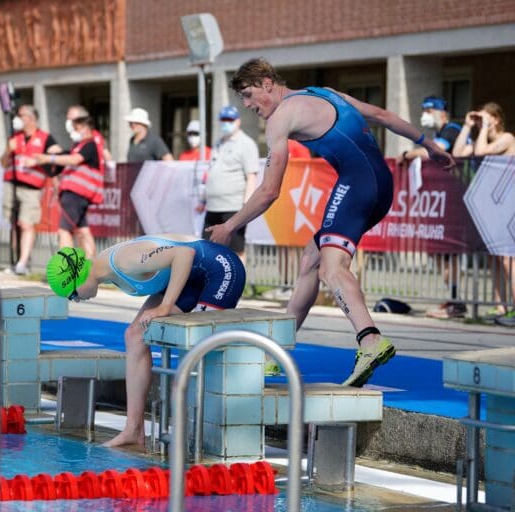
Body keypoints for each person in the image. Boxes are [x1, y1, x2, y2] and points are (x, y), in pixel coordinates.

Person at [207, 58, 454, 387]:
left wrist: (229, 226)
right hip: (380, 185)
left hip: (357, 184)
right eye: (244, 100)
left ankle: (369, 340)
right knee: (311, 259)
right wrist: (429, 145)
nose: (249, 105)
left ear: (268, 83)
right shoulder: (324, 92)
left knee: (331, 268)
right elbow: (383, 116)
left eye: (250, 95)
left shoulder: (281, 117)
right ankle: (275, 353)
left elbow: (268, 191)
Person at [45, 234, 246, 447]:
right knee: (135, 336)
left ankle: (203, 435)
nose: (76, 300)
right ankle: (134, 430)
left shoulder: (124, 262)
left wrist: (165, 306)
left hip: (220, 270)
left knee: (197, 347)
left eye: (72, 294)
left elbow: (184, 254)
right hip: (191, 278)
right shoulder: (105, 269)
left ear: (78, 277)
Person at [399, 96, 465, 319]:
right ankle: (453, 298)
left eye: (429, 110)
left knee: (450, 253)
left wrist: (408, 155)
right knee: (439, 252)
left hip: (459, 196)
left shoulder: (452, 130)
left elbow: (436, 151)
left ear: (441, 112)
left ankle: (457, 302)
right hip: (444, 199)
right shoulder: (438, 134)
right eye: (423, 109)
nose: (424, 114)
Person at [452, 102, 515, 321]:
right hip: (492, 209)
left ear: (496, 119)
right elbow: (458, 153)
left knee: (509, 259)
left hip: (509, 205)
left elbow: (479, 154)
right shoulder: (483, 139)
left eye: (486, 119)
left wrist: (485, 128)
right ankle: (500, 306)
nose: (482, 123)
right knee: (495, 259)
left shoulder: (507, 138)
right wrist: (468, 127)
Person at [28, 115, 102, 259]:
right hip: (77, 195)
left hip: (76, 194)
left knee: (64, 231)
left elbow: (74, 160)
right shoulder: (78, 146)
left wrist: (48, 158)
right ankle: (93, 270)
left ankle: (66, 272)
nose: (73, 131)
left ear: (86, 128)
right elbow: (66, 158)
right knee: (83, 231)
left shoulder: (89, 145)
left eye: (76, 128)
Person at [0, 105, 60, 274]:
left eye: (21, 115)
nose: (17, 119)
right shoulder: (14, 138)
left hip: (32, 188)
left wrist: (38, 162)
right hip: (11, 184)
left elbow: (57, 158)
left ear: (31, 118)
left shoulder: (45, 138)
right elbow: (3, 163)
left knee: (26, 223)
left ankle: (23, 262)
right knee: (14, 224)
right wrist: (7, 150)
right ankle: (16, 260)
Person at [201, 105, 261, 261]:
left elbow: (251, 176)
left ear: (238, 121)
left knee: (236, 249)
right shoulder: (218, 143)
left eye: (230, 120)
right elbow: (211, 171)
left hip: (233, 206)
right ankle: (213, 283)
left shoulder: (246, 143)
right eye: (223, 119)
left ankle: (239, 284)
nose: (226, 123)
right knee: (207, 248)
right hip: (213, 206)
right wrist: (203, 198)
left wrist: (246, 205)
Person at [66, 104, 111, 170]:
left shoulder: (94, 138)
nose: (70, 123)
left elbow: (107, 158)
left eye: (72, 119)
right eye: (68, 118)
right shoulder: (77, 138)